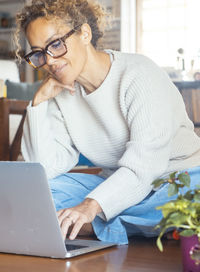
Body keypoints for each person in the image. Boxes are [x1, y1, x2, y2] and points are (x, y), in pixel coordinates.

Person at [15, 0, 200, 245]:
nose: (48, 61)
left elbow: (145, 168)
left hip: (177, 178)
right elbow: (43, 169)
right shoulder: (60, 93)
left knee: (190, 198)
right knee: (34, 192)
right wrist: (38, 103)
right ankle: (138, 224)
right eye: (39, 53)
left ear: (84, 33)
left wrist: (91, 205)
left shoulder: (138, 74)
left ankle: (96, 223)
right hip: (114, 183)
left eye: (56, 44)